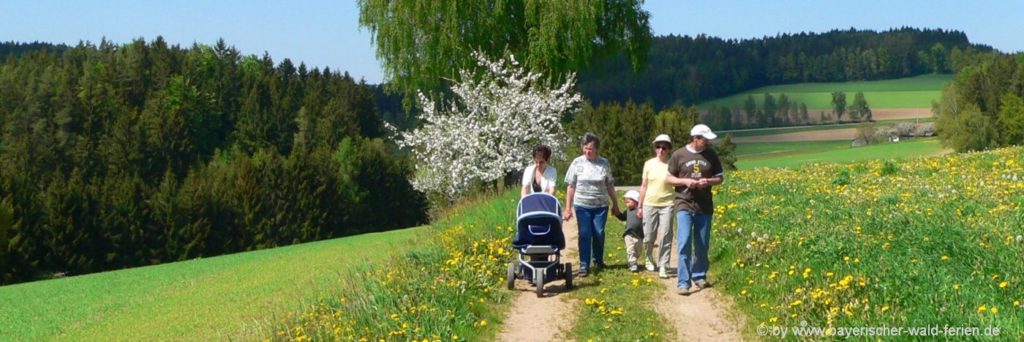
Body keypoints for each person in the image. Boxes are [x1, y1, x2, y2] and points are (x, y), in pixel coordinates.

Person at [665, 124, 724, 295]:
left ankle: (699, 275)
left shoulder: (711, 155)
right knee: (684, 242)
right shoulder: (679, 155)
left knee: (702, 243)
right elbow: (669, 178)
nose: (707, 142)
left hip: (704, 205)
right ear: (695, 139)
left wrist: (708, 181)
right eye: (704, 139)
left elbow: (720, 178)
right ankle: (683, 282)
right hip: (684, 202)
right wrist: (685, 182)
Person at [563, 132, 620, 278]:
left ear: (596, 149)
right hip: (582, 204)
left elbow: (610, 184)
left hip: (600, 205)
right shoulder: (577, 163)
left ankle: (598, 261)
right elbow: (571, 186)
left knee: (599, 233)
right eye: (585, 148)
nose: (587, 151)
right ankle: (584, 265)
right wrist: (568, 208)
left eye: (590, 148)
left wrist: (615, 204)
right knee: (585, 233)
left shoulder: (604, 163)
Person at [638, 134, 676, 279]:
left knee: (666, 235)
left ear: (668, 149)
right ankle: (648, 257)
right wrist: (640, 206)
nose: (661, 150)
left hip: (667, 204)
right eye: (658, 147)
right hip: (649, 203)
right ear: (655, 148)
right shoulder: (648, 164)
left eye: (664, 147)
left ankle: (663, 265)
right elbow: (644, 186)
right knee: (648, 235)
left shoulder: (672, 164)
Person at [614, 190, 643, 272]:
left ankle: (633, 260)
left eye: (628, 201)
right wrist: (617, 214)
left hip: (639, 234)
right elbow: (622, 217)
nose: (626, 204)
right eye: (626, 202)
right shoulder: (627, 211)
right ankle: (632, 262)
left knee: (638, 250)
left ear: (636, 201)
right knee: (630, 249)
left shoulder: (640, 211)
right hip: (628, 234)